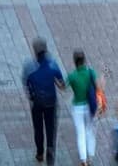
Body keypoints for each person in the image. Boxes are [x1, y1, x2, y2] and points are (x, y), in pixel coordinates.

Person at [22, 38, 67, 166]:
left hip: (36, 102)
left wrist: (30, 96)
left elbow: (25, 82)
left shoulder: (28, 66)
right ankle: (50, 150)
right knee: (51, 127)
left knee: (38, 128)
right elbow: (62, 84)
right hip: (51, 102)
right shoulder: (53, 64)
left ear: (35, 52)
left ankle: (40, 153)